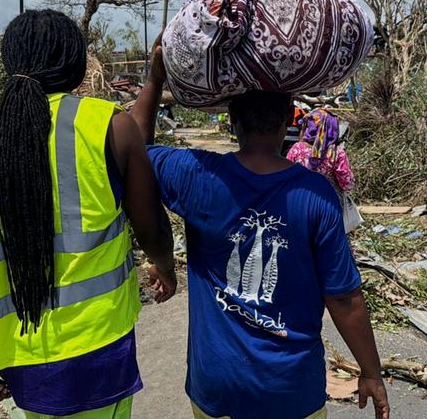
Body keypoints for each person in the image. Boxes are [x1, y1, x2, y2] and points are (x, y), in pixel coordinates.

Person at [0, 10, 176, 418]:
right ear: (76, 65)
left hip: (12, 351)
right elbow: (152, 228)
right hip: (96, 342)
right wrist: (165, 266)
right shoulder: (105, 124)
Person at [132, 44, 390, 419]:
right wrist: (371, 372)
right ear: (289, 118)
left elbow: (134, 151)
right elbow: (344, 300)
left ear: (232, 118)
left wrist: (155, 78)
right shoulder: (315, 194)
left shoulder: (197, 175)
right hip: (290, 390)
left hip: (217, 385)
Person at [286, 108, 362, 233]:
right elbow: (347, 183)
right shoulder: (336, 152)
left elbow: (286, 176)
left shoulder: (297, 149)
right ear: (331, 128)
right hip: (330, 203)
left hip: (300, 202)